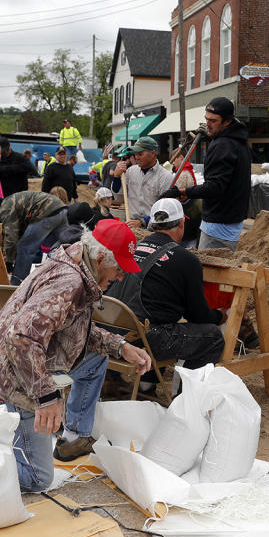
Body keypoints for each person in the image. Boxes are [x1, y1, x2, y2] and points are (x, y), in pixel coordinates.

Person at [0, 220, 151, 494]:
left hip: (15, 363)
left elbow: (72, 330)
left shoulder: (78, 261)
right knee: (37, 477)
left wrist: (120, 346)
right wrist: (46, 397)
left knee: (95, 361)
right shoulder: (69, 283)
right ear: (101, 257)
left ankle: (74, 436)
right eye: (118, 269)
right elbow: (22, 339)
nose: (120, 277)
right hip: (12, 380)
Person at [107, 198, 226, 369]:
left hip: (111, 331)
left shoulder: (133, 248)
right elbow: (197, 316)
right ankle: (187, 395)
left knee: (158, 320)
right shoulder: (186, 259)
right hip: (143, 339)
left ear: (153, 225)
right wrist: (219, 316)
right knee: (213, 338)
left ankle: (146, 384)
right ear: (182, 223)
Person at [164, 98, 251, 251]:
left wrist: (183, 191)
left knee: (209, 272)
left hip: (218, 224)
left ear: (227, 122)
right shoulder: (238, 141)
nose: (207, 124)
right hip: (231, 220)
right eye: (206, 119)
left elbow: (214, 187)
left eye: (213, 121)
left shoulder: (223, 146)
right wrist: (213, 137)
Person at [0, 191, 68, 284]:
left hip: (47, 212)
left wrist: (8, 261)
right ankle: (70, 276)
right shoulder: (11, 201)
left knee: (25, 249)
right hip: (61, 209)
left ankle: (17, 283)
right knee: (67, 245)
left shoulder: (5, 208)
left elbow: (11, 237)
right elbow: (20, 232)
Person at [111, 136, 174, 229]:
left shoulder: (165, 176)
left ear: (153, 153)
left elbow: (165, 209)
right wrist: (116, 177)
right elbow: (119, 198)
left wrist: (143, 222)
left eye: (140, 154)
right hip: (130, 225)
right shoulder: (130, 171)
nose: (137, 157)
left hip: (154, 228)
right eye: (135, 154)